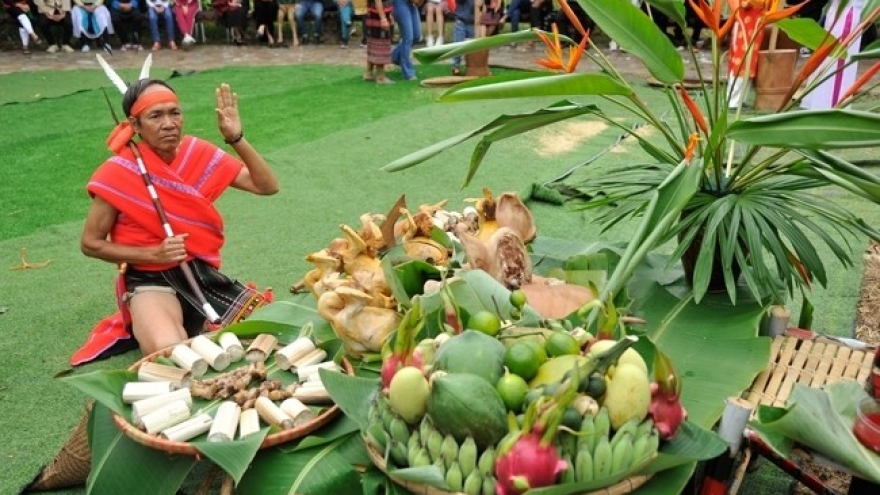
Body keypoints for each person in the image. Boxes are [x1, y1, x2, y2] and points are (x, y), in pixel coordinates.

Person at [75, 80, 279, 362]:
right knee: (172, 352)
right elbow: (90, 244)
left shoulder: (198, 153)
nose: (169, 123)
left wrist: (236, 137)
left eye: (175, 113)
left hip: (200, 275)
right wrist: (153, 254)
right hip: (150, 278)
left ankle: (199, 322)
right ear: (135, 125)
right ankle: (164, 321)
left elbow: (266, 186)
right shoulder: (118, 173)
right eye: (155, 116)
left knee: (271, 331)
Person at [800, 0, 866, 109]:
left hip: (847, 15)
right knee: (831, 61)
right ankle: (825, 104)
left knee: (836, 63)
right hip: (841, 15)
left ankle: (827, 104)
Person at [363, 0, 393, 83]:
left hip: (375, 14)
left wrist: (389, 15)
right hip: (377, 15)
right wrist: (383, 19)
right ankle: (381, 77)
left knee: (373, 44)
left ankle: (369, 73)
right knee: (380, 45)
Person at [390, 0, 420, 80]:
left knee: (416, 36)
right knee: (408, 37)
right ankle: (408, 73)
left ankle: (395, 56)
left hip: (412, 4)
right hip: (400, 3)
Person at [450, 0, 476, 76]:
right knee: (458, 45)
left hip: (473, 22)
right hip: (461, 21)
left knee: (473, 47)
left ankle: (472, 67)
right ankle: (455, 66)